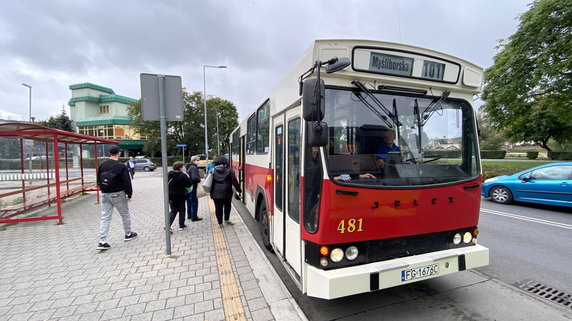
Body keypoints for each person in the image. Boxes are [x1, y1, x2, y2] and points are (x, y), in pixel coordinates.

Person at [96, 145, 137, 251]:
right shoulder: (121, 166)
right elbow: (126, 181)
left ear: (109, 153)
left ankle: (102, 241)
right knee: (125, 214)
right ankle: (128, 234)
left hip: (105, 194)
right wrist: (129, 194)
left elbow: (98, 179)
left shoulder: (102, 165)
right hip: (118, 194)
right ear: (119, 153)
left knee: (105, 217)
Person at [210, 157, 241, 228]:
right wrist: (239, 190)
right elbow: (235, 182)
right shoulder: (229, 170)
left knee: (218, 208)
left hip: (215, 193)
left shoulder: (213, 170)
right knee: (227, 206)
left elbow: (209, 181)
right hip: (227, 192)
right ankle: (226, 220)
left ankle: (220, 224)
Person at [168, 162, 193, 231]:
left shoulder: (169, 174)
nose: (183, 168)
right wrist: (188, 177)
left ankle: (168, 225)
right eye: (183, 167)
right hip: (180, 195)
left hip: (171, 195)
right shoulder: (182, 175)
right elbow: (189, 184)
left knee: (173, 210)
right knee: (182, 210)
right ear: (180, 168)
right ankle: (181, 225)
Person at [186, 155, 202, 222]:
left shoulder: (189, 166)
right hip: (193, 186)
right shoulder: (193, 168)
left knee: (189, 201)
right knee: (194, 201)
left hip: (189, 186)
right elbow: (195, 178)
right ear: (193, 160)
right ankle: (194, 217)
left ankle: (189, 215)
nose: (198, 161)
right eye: (197, 160)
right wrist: (200, 180)